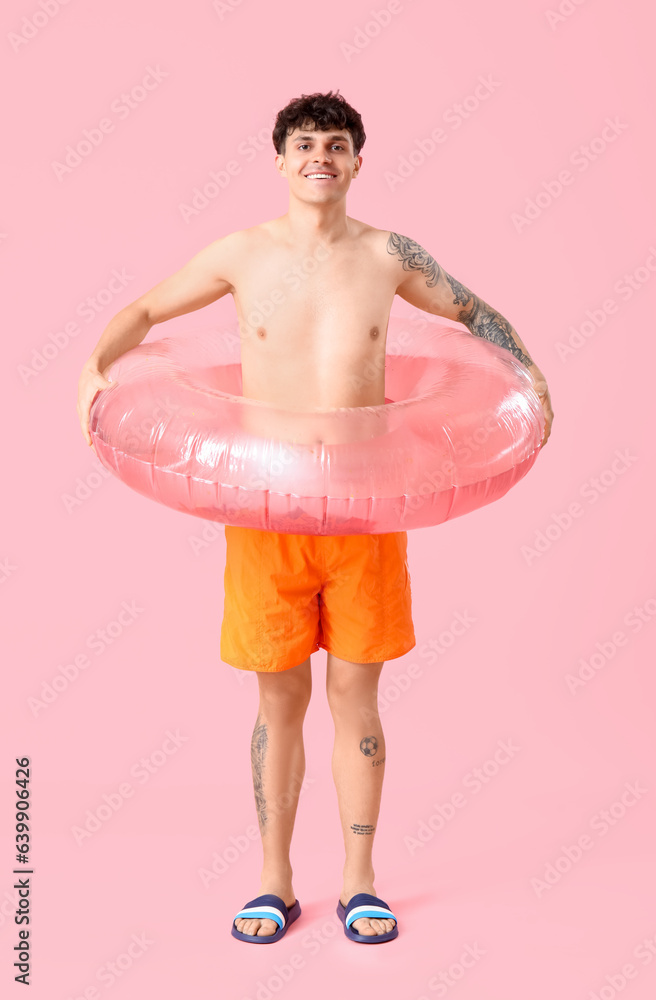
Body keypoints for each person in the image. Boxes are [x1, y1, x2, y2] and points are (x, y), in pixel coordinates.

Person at [77, 90, 554, 944]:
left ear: (358, 161)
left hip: (367, 517)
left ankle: (361, 884)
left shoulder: (389, 254)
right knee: (279, 702)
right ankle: (273, 883)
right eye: (304, 144)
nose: (319, 157)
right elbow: (148, 311)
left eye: (336, 144)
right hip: (267, 513)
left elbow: (471, 313)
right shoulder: (241, 253)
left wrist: (534, 380)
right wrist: (91, 368)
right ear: (280, 160)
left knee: (357, 699)